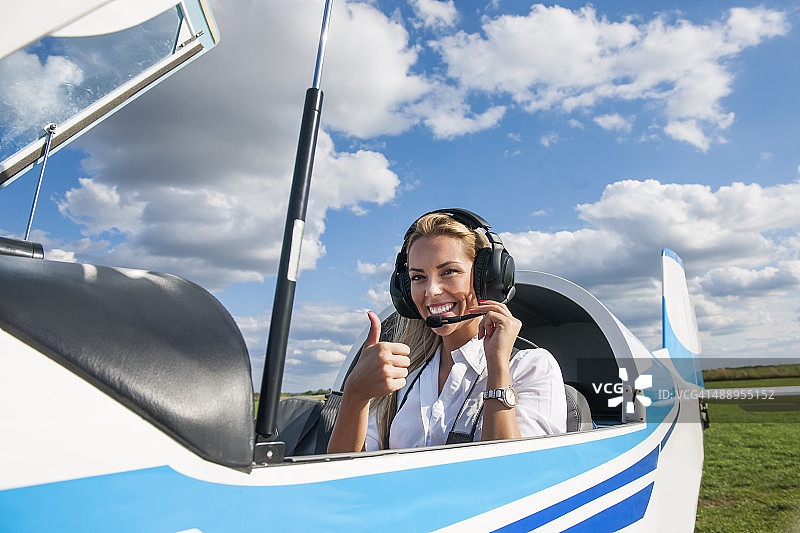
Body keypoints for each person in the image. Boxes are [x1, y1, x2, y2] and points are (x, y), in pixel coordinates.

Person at [327, 209, 566, 453]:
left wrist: (497, 367)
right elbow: (341, 472)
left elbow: (518, 475)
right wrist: (355, 395)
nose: (431, 291)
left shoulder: (531, 367)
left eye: (448, 272)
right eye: (418, 277)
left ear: (487, 278)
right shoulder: (402, 374)